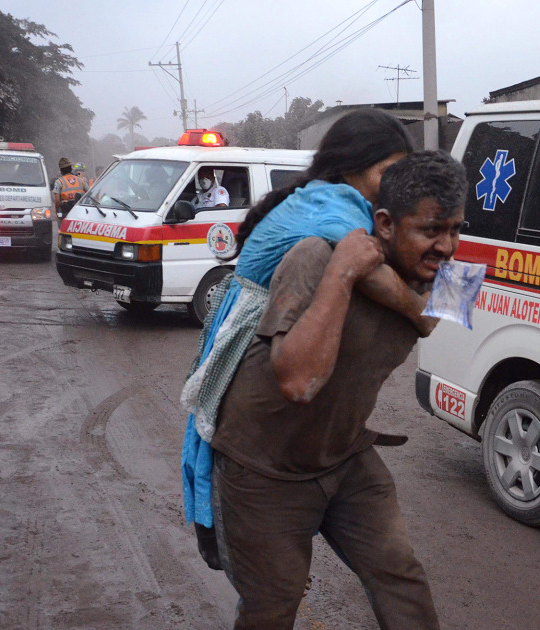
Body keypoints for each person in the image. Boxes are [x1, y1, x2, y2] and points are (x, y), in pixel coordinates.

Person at [209, 150, 467, 629]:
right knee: (273, 606)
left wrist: (403, 292)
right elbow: (298, 382)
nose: (448, 247)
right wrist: (344, 274)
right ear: (385, 224)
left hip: (344, 455)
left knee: (401, 578)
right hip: (264, 468)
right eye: (431, 230)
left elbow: (432, 320)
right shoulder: (315, 257)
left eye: (456, 229)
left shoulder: (444, 272)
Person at [181, 109, 431, 566]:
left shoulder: (343, 201)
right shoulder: (333, 203)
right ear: (351, 166)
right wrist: (423, 313)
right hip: (255, 342)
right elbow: (371, 273)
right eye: (387, 173)